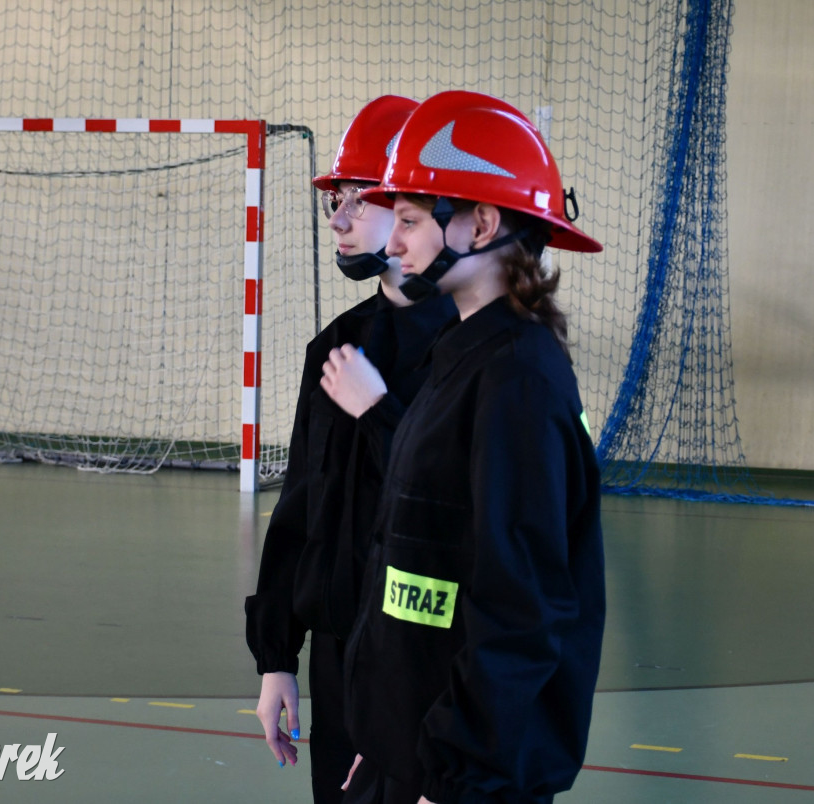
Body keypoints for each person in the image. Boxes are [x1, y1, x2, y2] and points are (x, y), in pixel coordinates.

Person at [320, 90, 606, 804]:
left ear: (480, 223)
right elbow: (420, 563)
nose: (392, 243)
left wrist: (456, 778)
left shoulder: (517, 382)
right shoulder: (463, 356)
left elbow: (519, 611)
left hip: (460, 779)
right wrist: (383, 741)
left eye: (410, 220)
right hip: (412, 754)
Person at [244, 96, 457, 804]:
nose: (337, 220)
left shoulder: (473, 353)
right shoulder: (334, 347)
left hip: (428, 659)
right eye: (335, 200)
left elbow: (456, 513)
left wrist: (381, 413)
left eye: (360, 199)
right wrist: (277, 656)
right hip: (341, 657)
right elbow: (303, 507)